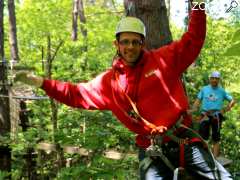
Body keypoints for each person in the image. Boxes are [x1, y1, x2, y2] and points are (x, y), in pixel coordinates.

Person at [14, 1, 233, 179]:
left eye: (135, 42)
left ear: (142, 43)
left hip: (183, 140)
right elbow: (75, 94)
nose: (130, 47)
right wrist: (42, 83)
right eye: (125, 42)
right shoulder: (108, 84)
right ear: (116, 44)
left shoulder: (164, 60)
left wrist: (200, 5)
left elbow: (193, 39)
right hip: (152, 150)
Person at [190, 71, 235, 158]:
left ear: (219, 80)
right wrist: (192, 110)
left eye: (216, 79)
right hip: (205, 115)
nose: (214, 80)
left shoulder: (222, 91)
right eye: (213, 78)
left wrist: (225, 109)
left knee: (216, 137)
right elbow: (198, 101)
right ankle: (203, 157)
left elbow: (232, 100)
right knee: (202, 136)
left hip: (217, 116)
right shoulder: (204, 89)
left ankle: (215, 159)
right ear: (210, 79)